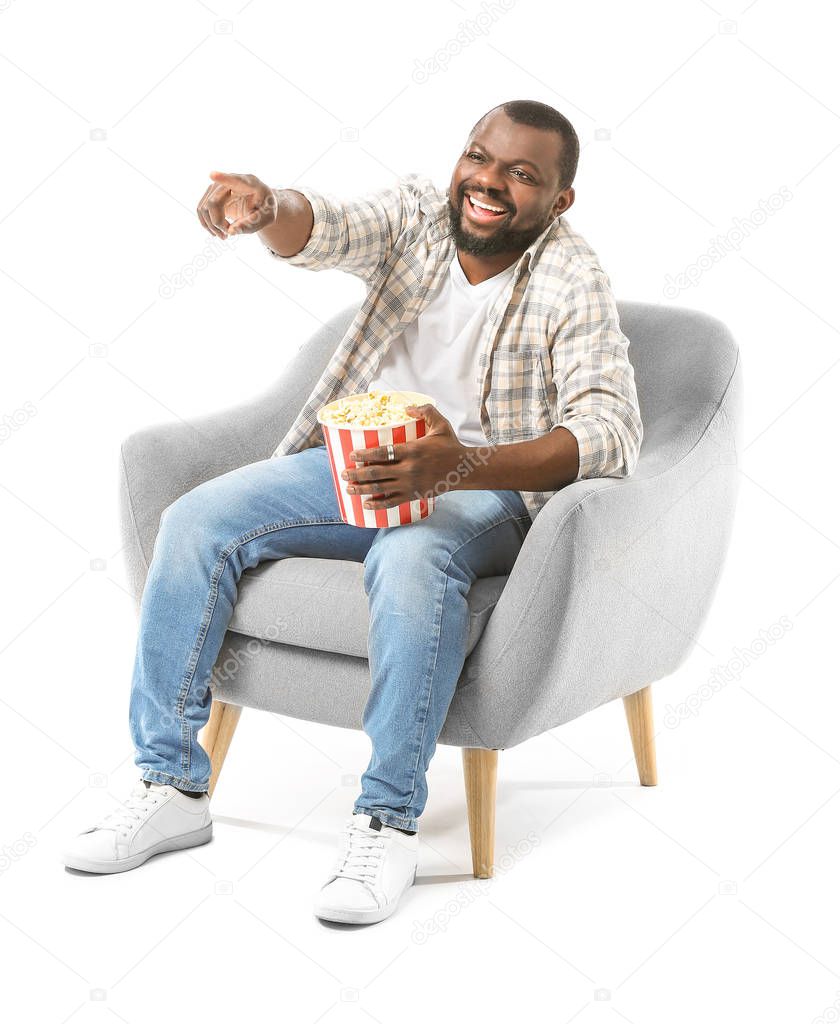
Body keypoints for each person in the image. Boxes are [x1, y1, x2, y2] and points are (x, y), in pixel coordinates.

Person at [63, 99, 643, 926]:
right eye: (480, 157)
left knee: (411, 560)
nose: (489, 182)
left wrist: (460, 463)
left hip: (482, 488)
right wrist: (269, 211)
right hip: (356, 464)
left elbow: (610, 430)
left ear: (559, 200)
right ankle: (170, 785)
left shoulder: (571, 276)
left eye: (523, 175)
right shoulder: (417, 216)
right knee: (194, 520)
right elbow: (327, 227)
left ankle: (388, 820)